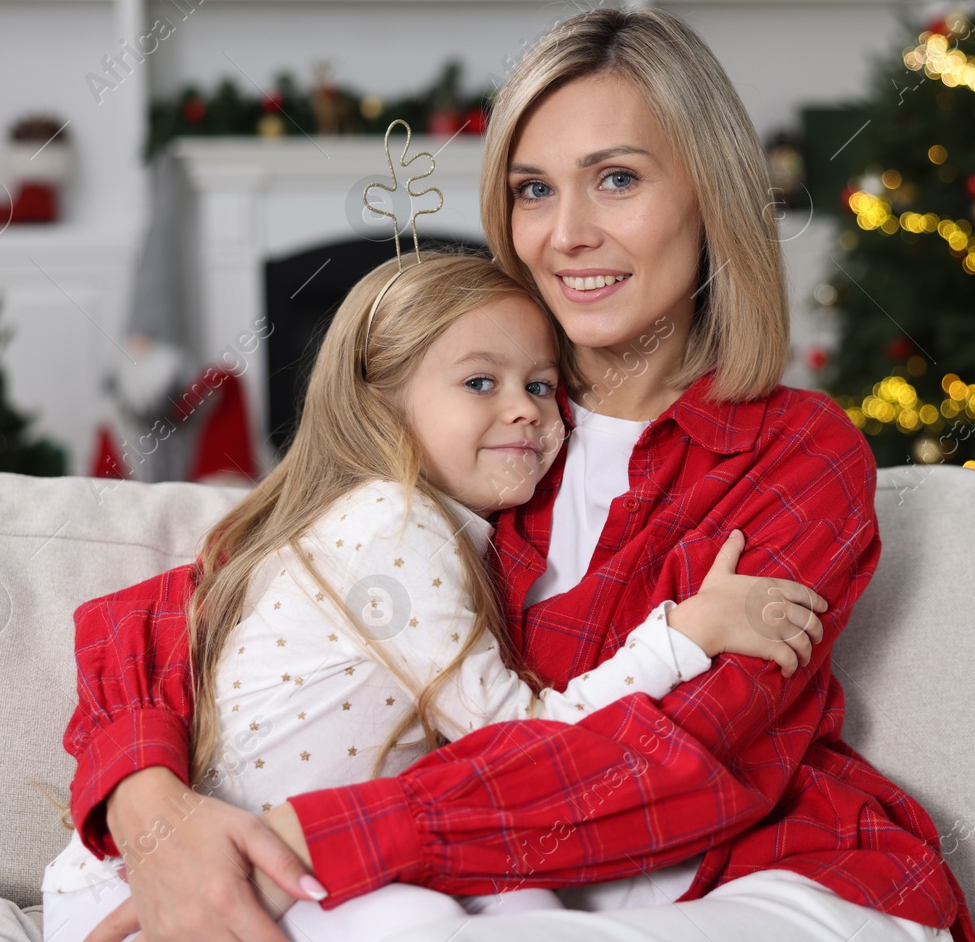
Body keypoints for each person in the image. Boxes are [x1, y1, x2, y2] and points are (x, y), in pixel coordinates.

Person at [67, 5, 975, 942]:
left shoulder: (795, 455)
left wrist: (327, 832)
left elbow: (682, 762)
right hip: (491, 894)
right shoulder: (479, 432)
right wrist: (153, 809)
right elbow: (184, 612)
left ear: (713, 192)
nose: (566, 233)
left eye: (616, 179)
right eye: (533, 190)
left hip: (756, 876)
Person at [42, 252, 827, 942]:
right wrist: (684, 634)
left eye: (542, 384)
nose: (526, 408)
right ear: (381, 402)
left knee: (528, 903)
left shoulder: (425, 529)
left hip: (279, 857)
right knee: (418, 923)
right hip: (162, 884)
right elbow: (525, 740)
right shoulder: (394, 521)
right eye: (480, 381)